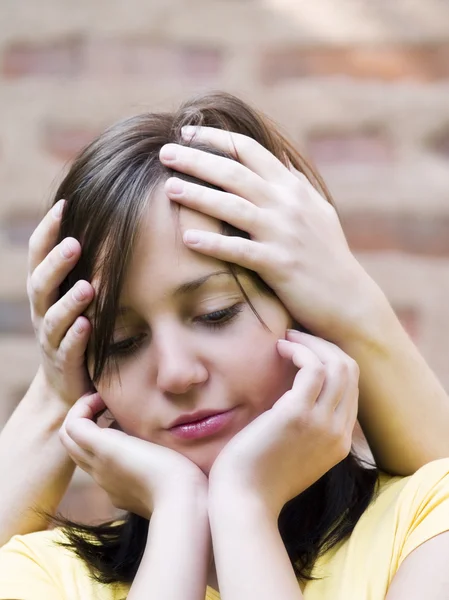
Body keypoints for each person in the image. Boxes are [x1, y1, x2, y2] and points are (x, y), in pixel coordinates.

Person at [0, 91, 449, 600]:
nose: (176, 372)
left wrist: (243, 503)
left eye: (217, 313)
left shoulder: (427, 529)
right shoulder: (38, 577)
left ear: (307, 314)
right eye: (122, 342)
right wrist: (178, 507)